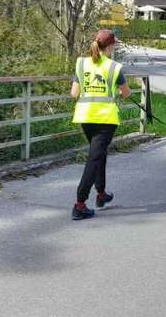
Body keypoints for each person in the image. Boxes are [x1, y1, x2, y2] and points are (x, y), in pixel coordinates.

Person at [70, 29, 131, 220]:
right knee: (94, 158)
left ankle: (101, 193)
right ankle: (80, 204)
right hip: (105, 119)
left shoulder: (81, 63)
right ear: (110, 46)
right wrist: (117, 93)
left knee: (98, 154)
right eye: (115, 45)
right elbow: (126, 93)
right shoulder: (114, 67)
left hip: (85, 117)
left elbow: (74, 93)